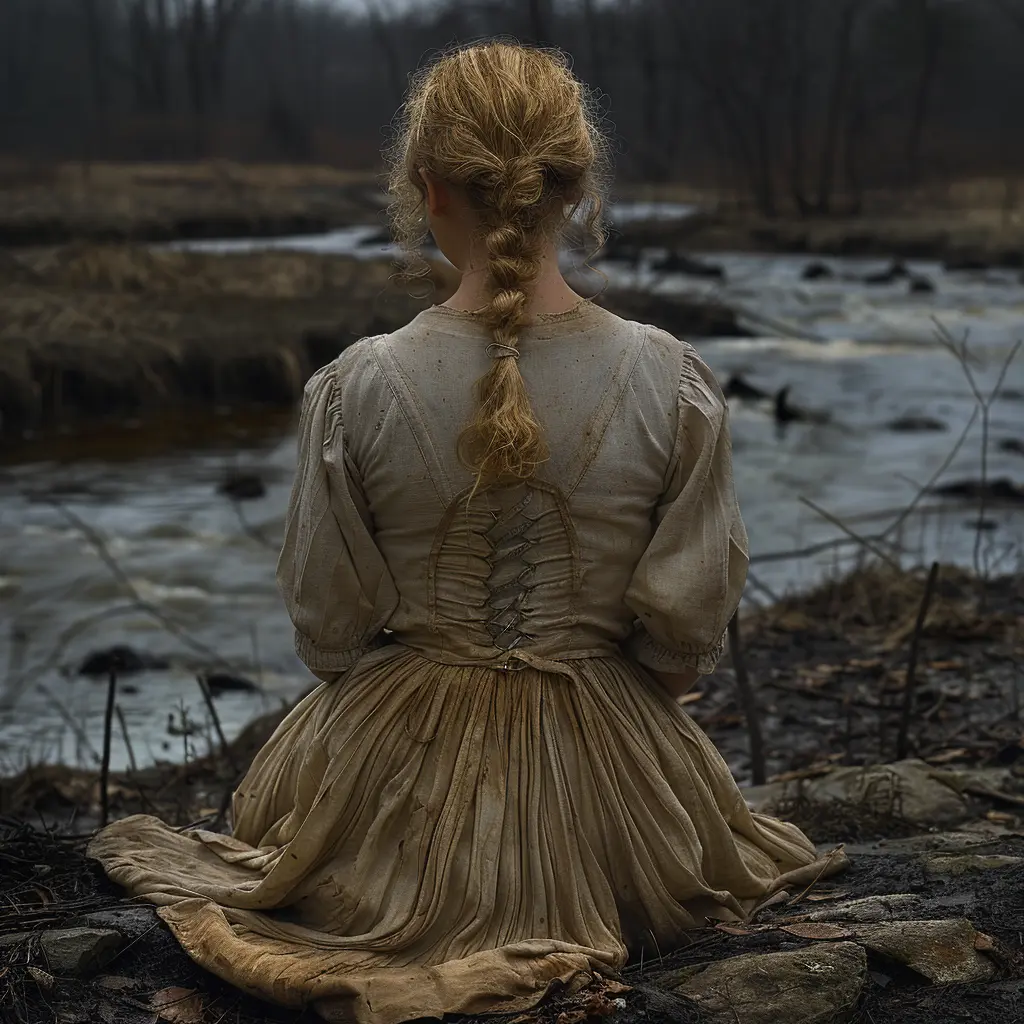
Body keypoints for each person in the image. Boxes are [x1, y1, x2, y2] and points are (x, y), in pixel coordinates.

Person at [88, 40, 841, 1024]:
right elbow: (677, 640)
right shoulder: (672, 376)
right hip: (615, 787)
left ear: (428, 187)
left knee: (296, 830)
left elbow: (332, 636)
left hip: (392, 773)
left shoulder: (355, 384)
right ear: (573, 189)